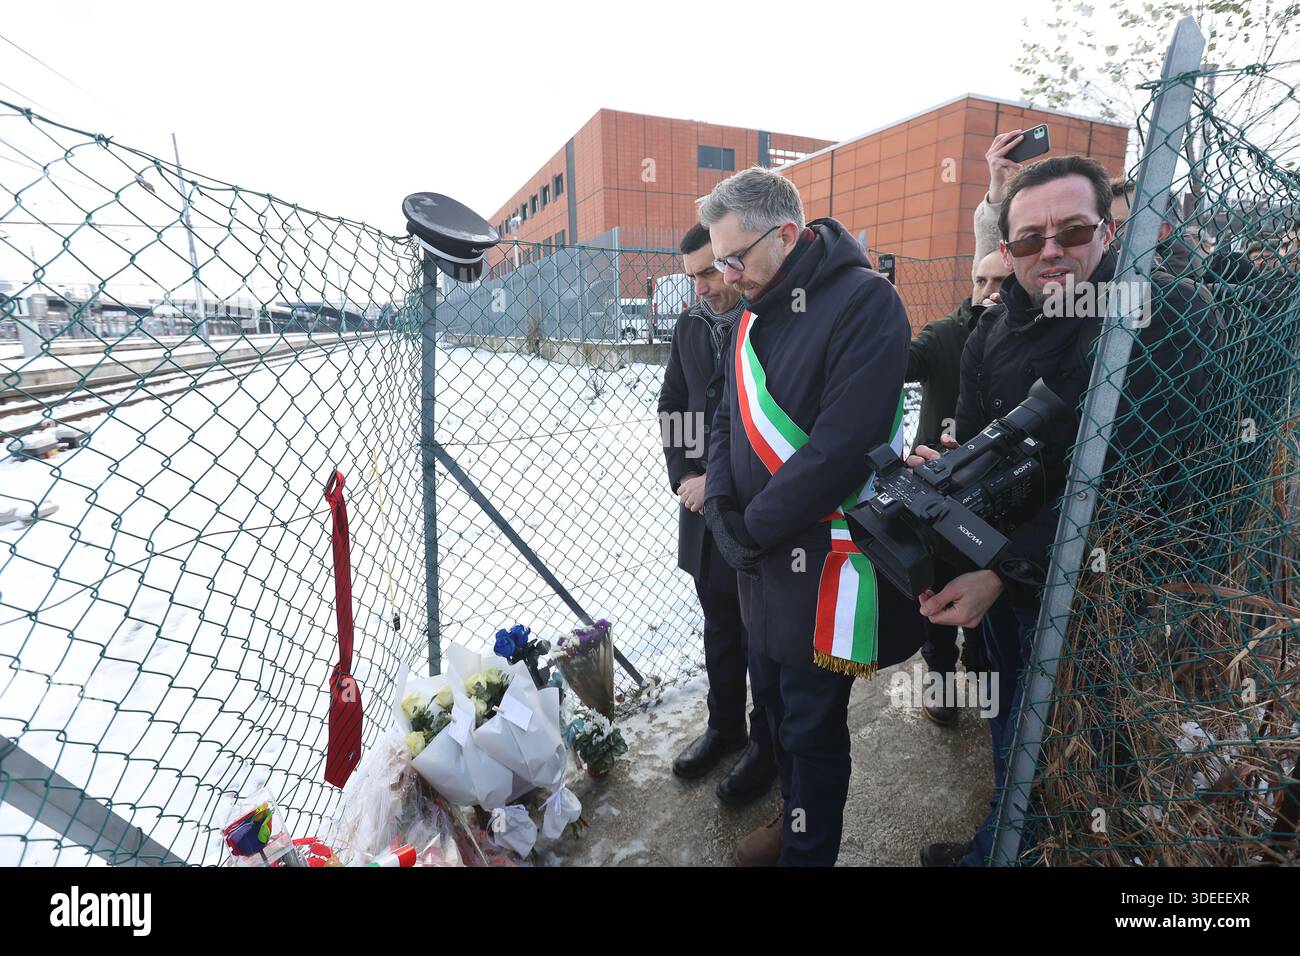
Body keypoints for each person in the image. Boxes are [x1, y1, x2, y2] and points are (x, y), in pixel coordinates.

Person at [914, 155, 1212, 866]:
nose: (1049, 251)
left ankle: (1025, 847)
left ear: (1109, 232)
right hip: (1008, 582)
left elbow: (1136, 482)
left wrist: (1002, 569)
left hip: (1111, 592)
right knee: (1012, 717)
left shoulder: (1164, 312)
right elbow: (978, 447)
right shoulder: (990, 331)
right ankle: (1009, 831)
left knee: (1081, 739)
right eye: (1027, 240)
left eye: (1071, 230)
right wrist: (944, 483)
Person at [699, 166, 925, 866]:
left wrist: (750, 526)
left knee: (813, 725)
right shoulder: (748, 314)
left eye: (735, 258)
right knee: (770, 705)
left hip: (820, 565)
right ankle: (789, 820)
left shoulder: (866, 302)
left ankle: (808, 851)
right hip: (756, 561)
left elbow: (842, 448)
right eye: (718, 262)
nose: (727, 275)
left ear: (788, 235)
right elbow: (722, 416)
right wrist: (717, 502)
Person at [658, 223, 776, 806]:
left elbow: (775, 424)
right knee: (721, 629)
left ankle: (767, 747)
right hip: (704, 516)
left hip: (758, 511)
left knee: (767, 638)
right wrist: (685, 474)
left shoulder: (771, 320)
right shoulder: (689, 327)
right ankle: (725, 726)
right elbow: (674, 402)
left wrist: (716, 480)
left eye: (710, 271)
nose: (704, 286)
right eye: (694, 277)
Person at [906, 250, 1007, 726]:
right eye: (979, 280)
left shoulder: (1029, 339)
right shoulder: (946, 334)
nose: (989, 290)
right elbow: (905, 360)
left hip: (999, 495)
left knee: (992, 593)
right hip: (939, 492)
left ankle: (983, 669)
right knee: (937, 593)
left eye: (1000, 281)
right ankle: (941, 683)